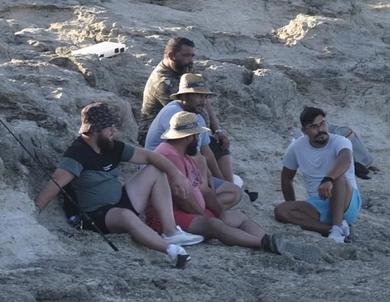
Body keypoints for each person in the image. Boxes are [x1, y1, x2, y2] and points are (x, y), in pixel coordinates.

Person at [35, 102, 203, 268]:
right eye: (109, 127)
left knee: (155, 170)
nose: (113, 131)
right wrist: (35, 211)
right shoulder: (77, 154)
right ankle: (172, 251)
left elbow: (151, 157)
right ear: (95, 129)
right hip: (93, 215)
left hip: (119, 202)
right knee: (126, 216)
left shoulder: (110, 146)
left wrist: (177, 175)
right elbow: (55, 182)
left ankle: (170, 232)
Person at [148, 111, 280, 252]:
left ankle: (270, 241)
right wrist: (205, 216)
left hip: (189, 211)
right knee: (214, 225)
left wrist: (222, 212)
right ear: (188, 137)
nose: (199, 139)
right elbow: (182, 197)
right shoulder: (169, 154)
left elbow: (204, 189)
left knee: (238, 216)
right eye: (197, 135)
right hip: (170, 216)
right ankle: (263, 243)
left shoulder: (185, 155)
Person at [144, 74, 243, 209]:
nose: (203, 101)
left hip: (189, 171)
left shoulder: (196, 117)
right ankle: (199, 212)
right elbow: (187, 154)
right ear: (184, 97)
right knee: (208, 186)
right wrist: (205, 176)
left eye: (205, 97)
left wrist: (221, 180)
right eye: (199, 96)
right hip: (165, 173)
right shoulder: (175, 115)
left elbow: (206, 152)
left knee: (234, 192)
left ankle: (202, 210)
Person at [274, 107, 361, 243]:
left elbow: (345, 159)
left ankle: (337, 228)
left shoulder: (340, 141)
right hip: (318, 203)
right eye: (314, 127)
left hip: (346, 201)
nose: (320, 129)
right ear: (304, 131)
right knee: (281, 210)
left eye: (322, 124)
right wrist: (293, 205)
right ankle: (331, 230)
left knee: (338, 176)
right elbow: (286, 178)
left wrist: (328, 179)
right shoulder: (296, 147)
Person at [138, 36, 194, 126]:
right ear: (171, 56)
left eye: (192, 56)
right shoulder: (162, 82)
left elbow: (201, 98)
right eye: (186, 55)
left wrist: (217, 130)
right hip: (157, 134)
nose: (190, 60)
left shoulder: (181, 68)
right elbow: (185, 112)